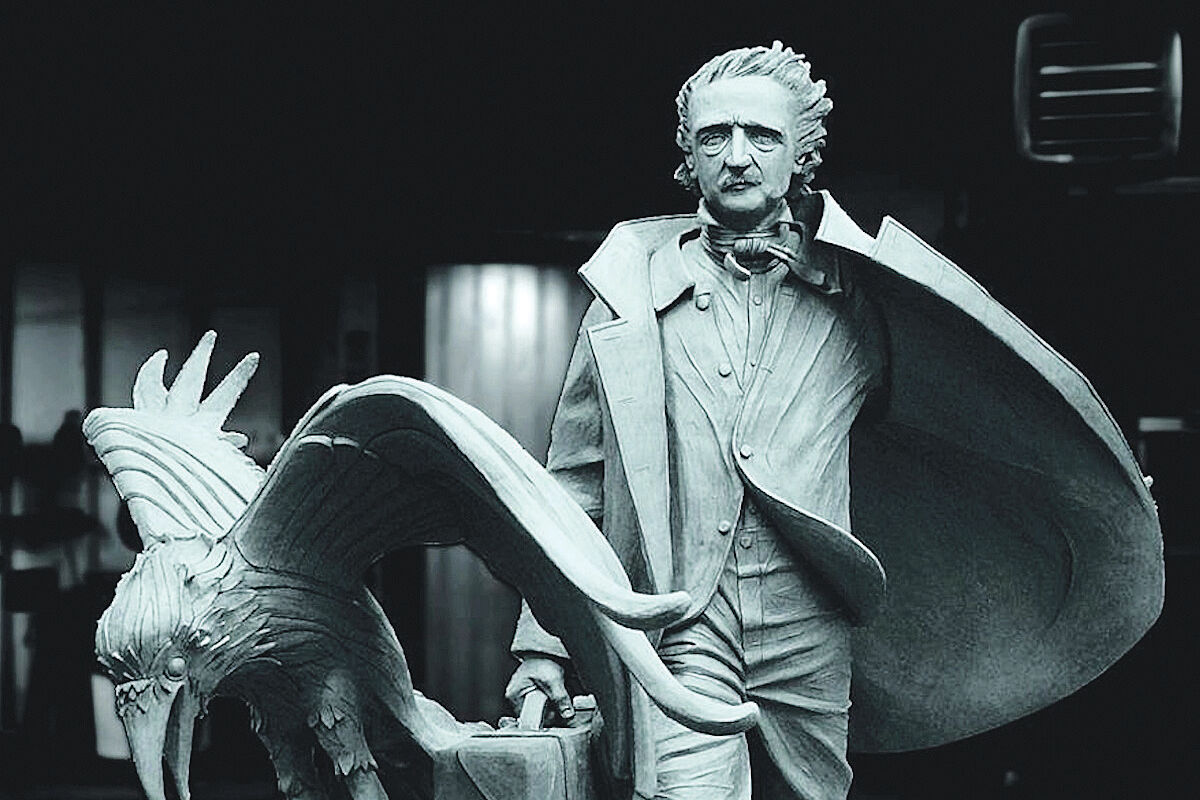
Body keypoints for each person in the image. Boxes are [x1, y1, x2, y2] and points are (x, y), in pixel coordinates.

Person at [506, 42, 886, 800]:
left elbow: (926, 441)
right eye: (715, 136)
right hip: (682, 624)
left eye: (762, 136)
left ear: (801, 155)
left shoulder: (863, 300)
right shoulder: (628, 304)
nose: (737, 157)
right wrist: (544, 642)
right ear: (689, 153)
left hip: (811, 628)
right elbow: (575, 485)